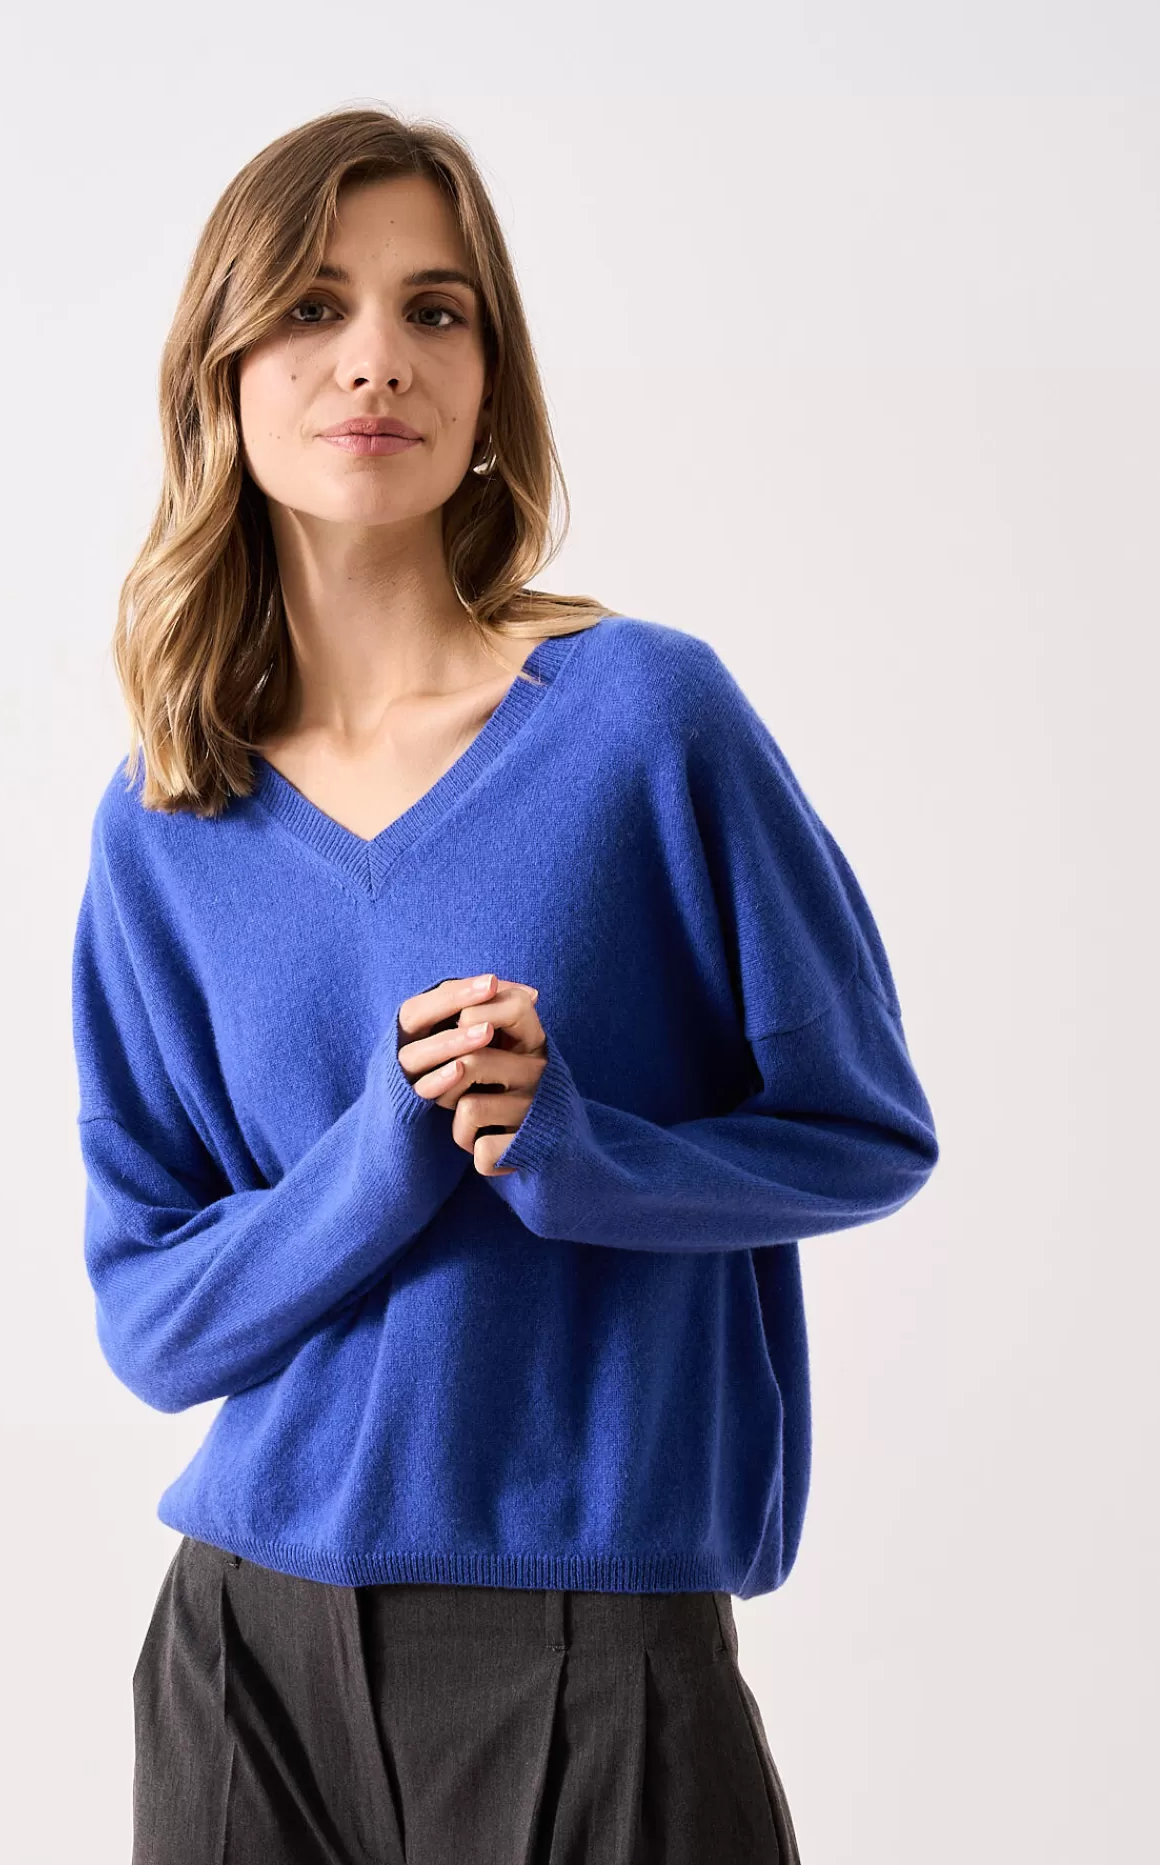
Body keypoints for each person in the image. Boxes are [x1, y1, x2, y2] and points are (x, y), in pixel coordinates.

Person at [70, 105, 939, 1865]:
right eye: (311, 307)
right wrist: (385, 1154)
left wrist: (574, 1149)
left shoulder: (648, 721)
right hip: (244, 1657)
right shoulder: (170, 817)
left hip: (598, 1637)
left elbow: (865, 1134)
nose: (376, 358)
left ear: (490, 380)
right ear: (221, 375)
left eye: (436, 310)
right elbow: (155, 1325)